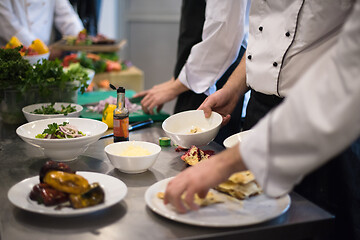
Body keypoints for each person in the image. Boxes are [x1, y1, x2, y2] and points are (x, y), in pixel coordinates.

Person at [164, 1, 360, 239]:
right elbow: (267, 38)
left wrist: (226, 163)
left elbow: (349, 77)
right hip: (260, 113)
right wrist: (234, 87)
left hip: (326, 125)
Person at [133, 0, 250, 144]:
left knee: (203, 157)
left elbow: (222, 36)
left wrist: (176, 86)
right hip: (194, 78)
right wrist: (175, 80)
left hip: (214, 81)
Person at [0, 0, 83, 49]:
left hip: (47, 51)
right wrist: (42, 51)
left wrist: (80, 36)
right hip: (15, 53)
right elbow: (9, 26)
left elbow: (66, 15)